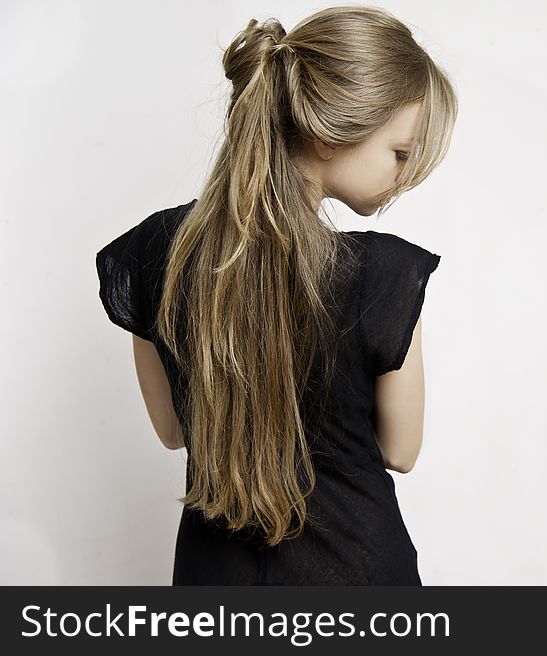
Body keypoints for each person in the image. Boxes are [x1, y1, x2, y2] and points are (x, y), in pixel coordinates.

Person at [94, 6, 458, 585]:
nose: (405, 175)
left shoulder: (155, 253)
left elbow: (173, 430)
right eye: (400, 152)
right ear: (325, 133)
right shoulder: (382, 274)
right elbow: (401, 450)